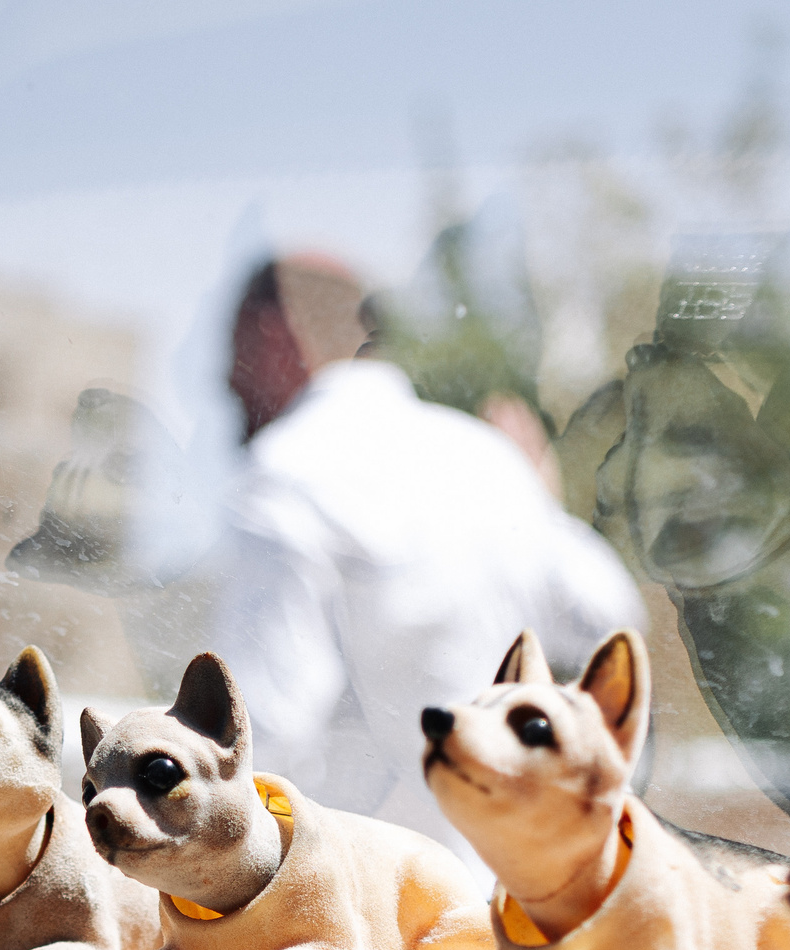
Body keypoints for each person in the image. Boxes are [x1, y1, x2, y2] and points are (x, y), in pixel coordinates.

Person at [198, 254, 642, 863]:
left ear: (274, 335)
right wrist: (546, 501)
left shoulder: (287, 472)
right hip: (505, 904)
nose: (225, 379)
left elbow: (260, 733)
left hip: (370, 920)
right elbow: (610, 616)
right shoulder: (486, 457)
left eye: (232, 349)